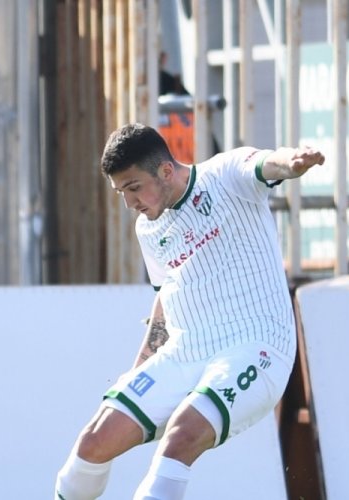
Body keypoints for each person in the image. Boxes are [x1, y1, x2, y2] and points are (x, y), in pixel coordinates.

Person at [55, 123, 325, 500]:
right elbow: (166, 300)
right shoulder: (148, 229)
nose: (129, 203)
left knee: (181, 435)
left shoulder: (225, 175)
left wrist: (292, 161)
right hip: (184, 354)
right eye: (121, 192)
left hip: (255, 348)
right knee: (93, 442)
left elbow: (268, 164)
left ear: (166, 170)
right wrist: (139, 368)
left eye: (133, 187)